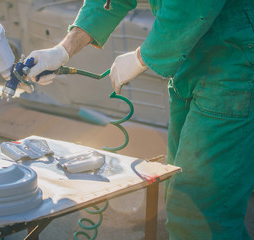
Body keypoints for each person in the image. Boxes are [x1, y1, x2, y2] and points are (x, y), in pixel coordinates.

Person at [25, 0, 254, 239]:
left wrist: (141, 57)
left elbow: (191, 5)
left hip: (235, 65)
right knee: (181, 199)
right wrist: (62, 50)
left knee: (200, 216)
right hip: (192, 63)